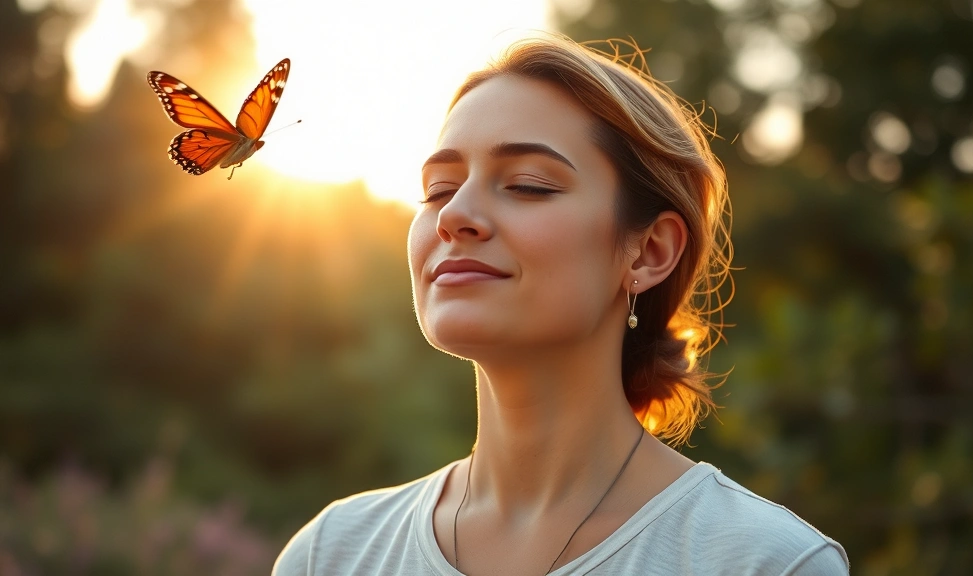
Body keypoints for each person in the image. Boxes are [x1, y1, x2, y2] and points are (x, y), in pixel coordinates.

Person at [272, 34, 849, 576]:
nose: (452, 216)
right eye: (439, 190)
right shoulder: (332, 554)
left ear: (648, 251)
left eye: (527, 184)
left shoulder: (762, 563)